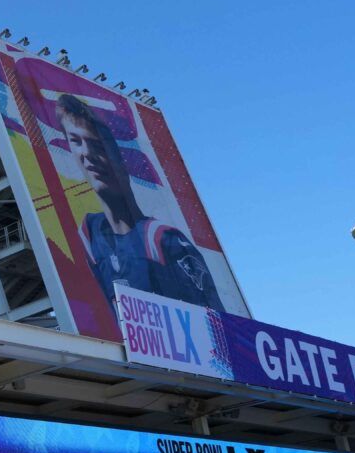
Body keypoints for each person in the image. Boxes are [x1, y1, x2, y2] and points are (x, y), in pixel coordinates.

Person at [54, 93, 227, 313]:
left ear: (118, 157)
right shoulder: (90, 233)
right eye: (76, 141)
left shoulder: (165, 240)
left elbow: (215, 321)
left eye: (96, 145)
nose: (87, 153)